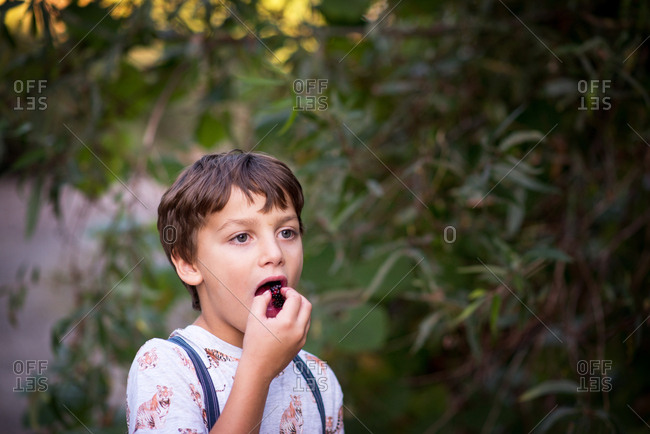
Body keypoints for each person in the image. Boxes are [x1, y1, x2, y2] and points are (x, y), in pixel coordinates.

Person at [126, 150, 344, 433]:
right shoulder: (167, 367)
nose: (274, 253)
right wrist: (258, 370)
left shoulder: (318, 379)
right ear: (189, 263)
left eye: (287, 232)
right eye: (241, 237)